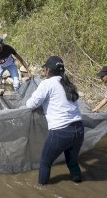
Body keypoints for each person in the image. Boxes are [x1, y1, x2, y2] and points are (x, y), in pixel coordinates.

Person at [26, 56, 84, 185]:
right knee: (72, 161)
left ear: (48, 71)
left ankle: (42, 188)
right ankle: (78, 182)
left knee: (45, 162)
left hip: (61, 131)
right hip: (79, 129)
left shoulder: (47, 83)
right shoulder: (69, 84)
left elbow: (31, 104)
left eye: (44, 69)